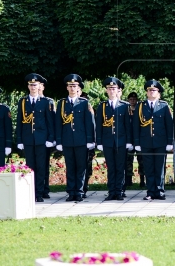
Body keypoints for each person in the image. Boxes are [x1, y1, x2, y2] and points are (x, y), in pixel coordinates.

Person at [55, 74, 95, 202]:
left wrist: (90, 140)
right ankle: (71, 191)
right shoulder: (61, 103)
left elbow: (90, 123)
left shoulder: (84, 103)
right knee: (70, 166)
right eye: (70, 86)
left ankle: (79, 191)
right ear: (67, 88)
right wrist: (59, 141)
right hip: (67, 140)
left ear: (78, 88)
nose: (72, 88)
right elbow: (58, 123)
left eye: (75, 86)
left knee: (81, 167)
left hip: (81, 140)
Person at [16, 73, 55, 202]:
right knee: (30, 166)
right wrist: (19, 140)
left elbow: (50, 122)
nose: (33, 87)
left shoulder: (45, 102)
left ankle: (39, 193)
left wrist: (50, 138)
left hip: (41, 139)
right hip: (28, 139)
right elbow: (20, 122)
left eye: (35, 85)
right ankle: (30, 192)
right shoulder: (22, 102)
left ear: (39, 86)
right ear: (28, 86)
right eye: (31, 85)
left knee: (41, 167)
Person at [133, 79, 174, 201]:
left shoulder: (164, 106)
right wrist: (137, 142)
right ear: (146, 92)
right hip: (145, 142)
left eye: (154, 90)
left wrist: (169, 142)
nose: (151, 92)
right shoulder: (140, 106)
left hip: (160, 142)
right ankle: (150, 191)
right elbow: (135, 125)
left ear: (158, 92)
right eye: (149, 90)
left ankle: (160, 191)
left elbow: (169, 125)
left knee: (159, 168)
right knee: (149, 168)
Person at [95, 77, 132, 201]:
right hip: (107, 141)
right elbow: (99, 125)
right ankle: (111, 191)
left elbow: (128, 125)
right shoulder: (102, 106)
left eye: (114, 88)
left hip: (121, 141)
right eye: (109, 88)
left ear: (118, 90)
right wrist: (99, 141)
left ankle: (120, 191)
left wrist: (129, 141)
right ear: (106, 90)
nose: (111, 90)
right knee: (111, 167)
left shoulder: (124, 106)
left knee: (120, 167)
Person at [38, 78, 56, 198]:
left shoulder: (48, 102)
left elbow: (51, 122)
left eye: (40, 86)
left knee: (44, 165)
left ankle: (45, 189)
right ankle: (39, 189)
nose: (37, 88)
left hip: (45, 139)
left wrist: (51, 138)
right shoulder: (27, 102)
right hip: (35, 138)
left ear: (43, 87)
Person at [125, 92, 145, 188]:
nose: (132, 101)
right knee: (128, 161)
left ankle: (142, 180)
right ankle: (128, 180)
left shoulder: (140, 110)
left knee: (142, 161)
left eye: (134, 99)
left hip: (139, 139)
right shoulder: (126, 110)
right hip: (129, 139)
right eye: (131, 99)